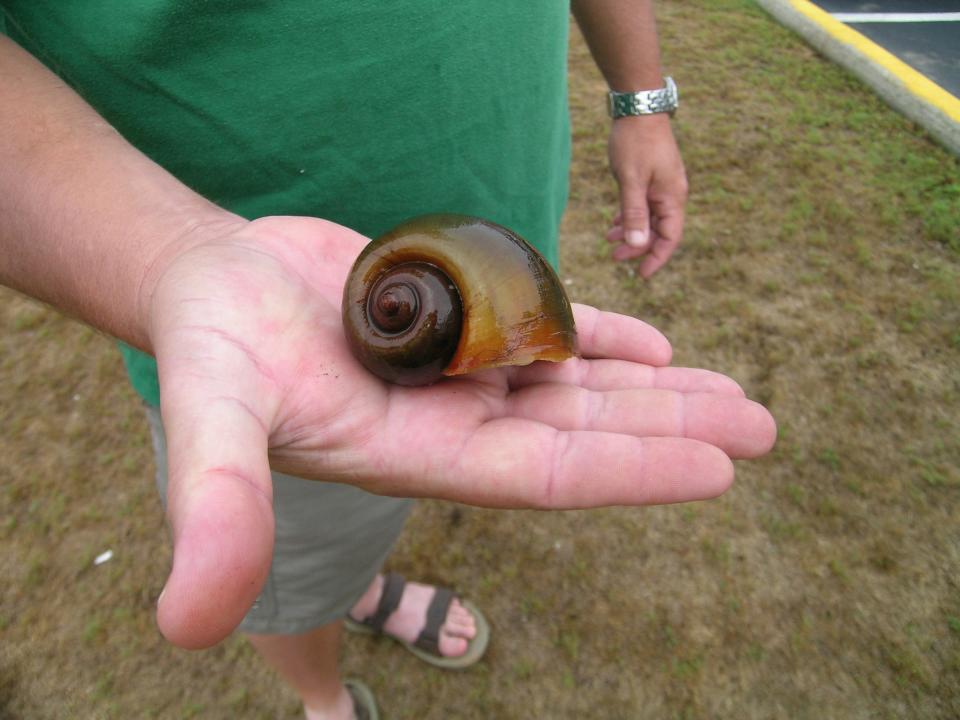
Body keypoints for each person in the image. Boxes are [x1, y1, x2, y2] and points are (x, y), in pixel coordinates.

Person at [0, 3, 776, 718]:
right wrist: (168, 257)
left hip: (490, 234)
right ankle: (323, 696)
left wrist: (642, 99)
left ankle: (360, 587)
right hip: (275, 347)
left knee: (370, 516)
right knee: (291, 565)